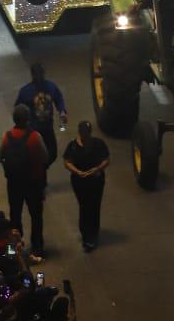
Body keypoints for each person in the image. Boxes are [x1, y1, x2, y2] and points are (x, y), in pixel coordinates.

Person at [0, 101, 48, 263]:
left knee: (15, 216)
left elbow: (0, 157)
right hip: (33, 183)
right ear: (28, 118)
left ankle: (15, 250)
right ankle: (38, 248)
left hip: (13, 183)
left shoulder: (7, 136)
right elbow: (45, 157)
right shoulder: (34, 137)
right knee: (36, 216)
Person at [62, 118, 109, 251]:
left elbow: (106, 159)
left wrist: (97, 169)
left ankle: (93, 232)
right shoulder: (73, 146)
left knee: (95, 205)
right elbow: (67, 161)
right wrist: (77, 172)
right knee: (84, 206)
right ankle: (86, 235)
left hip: (96, 181)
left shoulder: (99, 144)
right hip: (80, 182)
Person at [16, 60, 68, 163]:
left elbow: (58, 98)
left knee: (52, 153)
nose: (40, 76)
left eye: (41, 73)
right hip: (33, 130)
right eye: (37, 74)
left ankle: (42, 168)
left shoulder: (51, 86)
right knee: (34, 154)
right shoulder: (26, 91)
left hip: (48, 127)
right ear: (33, 75)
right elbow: (18, 108)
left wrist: (62, 111)